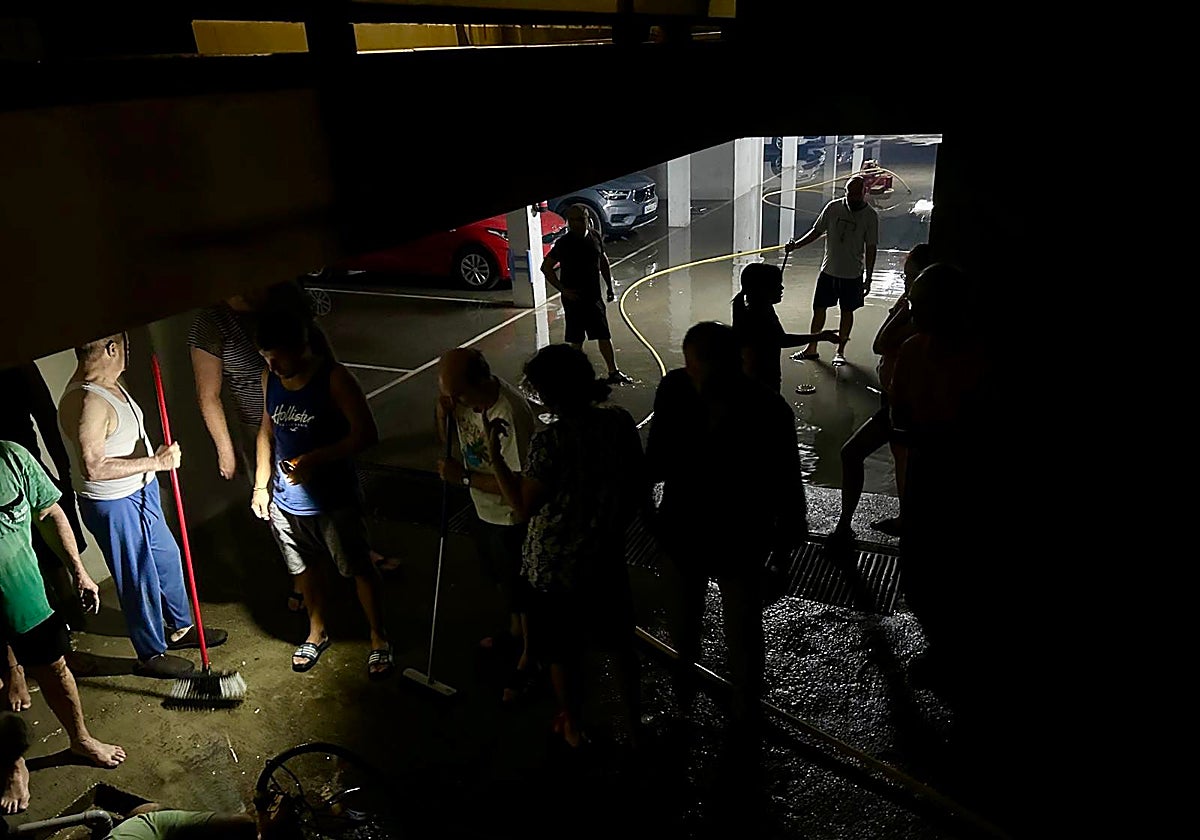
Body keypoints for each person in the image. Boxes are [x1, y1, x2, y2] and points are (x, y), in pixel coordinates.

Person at [646, 322, 805, 761]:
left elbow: (654, 464)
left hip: (694, 532)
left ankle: (697, 702)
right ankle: (738, 713)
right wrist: (784, 553)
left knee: (702, 626)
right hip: (733, 535)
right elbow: (788, 487)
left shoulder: (680, 392)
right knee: (737, 632)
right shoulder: (766, 406)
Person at [188, 282, 398, 606]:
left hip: (313, 417)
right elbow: (209, 394)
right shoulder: (213, 321)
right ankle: (304, 581)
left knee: (334, 499)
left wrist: (337, 393)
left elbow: (320, 348)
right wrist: (225, 449)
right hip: (262, 424)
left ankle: (355, 558)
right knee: (282, 508)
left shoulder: (284, 296)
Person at [487, 345, 646, 748]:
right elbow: (636, 483)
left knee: (563, 651)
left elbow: (523, 505)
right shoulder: (619, 423)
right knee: (620, 643)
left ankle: (573, 725)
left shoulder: (550, 442)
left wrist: (496, 459)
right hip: (605, 555)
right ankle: (634, 723)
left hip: (556, 567)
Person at [58, 333, 226, 679]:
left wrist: (152, 468)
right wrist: (156, 463)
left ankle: (181, 628)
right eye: (124, 346)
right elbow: (93, 466)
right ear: (111, 348)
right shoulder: (87, 400)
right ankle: (150, 654)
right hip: (114, 503)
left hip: (141, 491)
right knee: (138, 577)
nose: (127, 353)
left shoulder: (110, 384)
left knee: (166, 557)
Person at [250, 311, 393, 680]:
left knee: (358, 568)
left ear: (300, 345)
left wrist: (316, 458)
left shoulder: (335, 378)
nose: (272, 365)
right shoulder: (270, 377)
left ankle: (378, 637)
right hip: (286, 499)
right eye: (265, 357)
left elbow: (366, 434)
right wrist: (260, 486)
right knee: (303, 567)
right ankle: (317, 631)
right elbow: (266, 433)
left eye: (277, 356)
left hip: (334, 500)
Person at [0, 441, 126, 815]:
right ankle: (12, 766)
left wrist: (79, 571)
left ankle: (80, 739)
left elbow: (50, 510)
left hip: (25, 597)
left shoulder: (12, 457)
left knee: (55, 669)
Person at [435, 349, 536, 701]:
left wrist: (463, 478)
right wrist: (443, 413)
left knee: (522, 588)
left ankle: (529, 656)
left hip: (509, 517)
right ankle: (514, 632)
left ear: (480, 382)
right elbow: (447, 441)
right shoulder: (461, 402)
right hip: (482, 510)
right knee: (501, 581)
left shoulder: (509, 413)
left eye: (458, 393)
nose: (455, 401)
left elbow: (520, 485)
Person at [0, 363, 90, 710]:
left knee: (54, 563)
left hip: (24, 470)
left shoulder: (16, 359)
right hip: (8, 475)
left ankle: (65, 647)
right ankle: (17, 668)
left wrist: (64, 474)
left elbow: (46, 415)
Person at [831, 243, 932, 541]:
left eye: (910, 277)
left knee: (859, 454)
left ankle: (853, 526)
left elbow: (881, 342)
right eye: (904, 277)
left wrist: (906, 307)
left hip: (906, 405)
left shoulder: (919, 315)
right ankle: (897, 521)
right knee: (897, 459)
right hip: (894, 399)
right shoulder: (911, 305)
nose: (905, 282)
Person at [785, 174, 880, 365]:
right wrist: (796, 246)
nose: (852, 198)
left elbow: (871, 248)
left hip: (852, 274)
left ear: (865, 193)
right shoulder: (833, 207)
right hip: (828, 271)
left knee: (847, 312)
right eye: (849, 193)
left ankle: (840, 351)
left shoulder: (870, 217)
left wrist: (868, 278)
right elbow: (817, 231)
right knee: (818, 309)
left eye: (856, 194)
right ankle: (811, 349)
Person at [541, 205, 634, 385]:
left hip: (594, 296)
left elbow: (603, 260)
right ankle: (574, 376)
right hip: (573, 300)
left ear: (587, 218)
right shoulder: (564, 244)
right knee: (576, 339)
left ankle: (613, 371)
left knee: (603, 334)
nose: (577, 224)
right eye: (573, 220)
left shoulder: (595, 236)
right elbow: (546, 267)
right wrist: (563, 290)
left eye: (581, 219)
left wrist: (609, 286)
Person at [731, 262, 840, 392]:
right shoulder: (757, 315)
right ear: (763, 289)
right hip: (761, 380)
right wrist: (820, 336)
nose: (782, 288)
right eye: (777, 285)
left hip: (761, 377)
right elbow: (782, 340)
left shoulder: (762, 308)